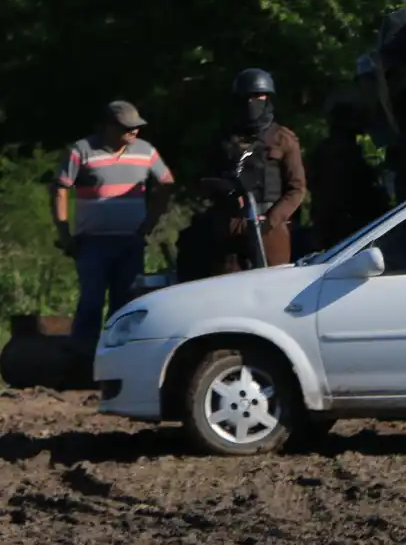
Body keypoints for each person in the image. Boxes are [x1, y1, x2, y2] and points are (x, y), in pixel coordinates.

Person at [53, 101, 174, 347]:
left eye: (136, 127)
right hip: (93, 242)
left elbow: (166, 183)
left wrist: (148, 224)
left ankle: (118, 353)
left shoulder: (145, 151)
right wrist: (65, 233)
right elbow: (60, 189)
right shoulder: (82, 150)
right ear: (108, 127)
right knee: (92, 300)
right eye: (126, 128)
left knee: (126, 303)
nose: (134, 132)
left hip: (130, 241)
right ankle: (83, 356)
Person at [200, 69, 307, 273]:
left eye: (258, 96)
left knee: (274, 286)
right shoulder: (222, 138)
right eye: (247, 97)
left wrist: (273, 220)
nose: (252, 103)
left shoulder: (283, 138)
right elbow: (204, 180)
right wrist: (221, 189)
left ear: (267, 98)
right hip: (230, 226)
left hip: (270, 227)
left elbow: (297, 188)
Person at [307, 98, 388, 251]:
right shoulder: (344, 151)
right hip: (342, 223)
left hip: (330, 221)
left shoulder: (324, 149)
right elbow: (359, 186)